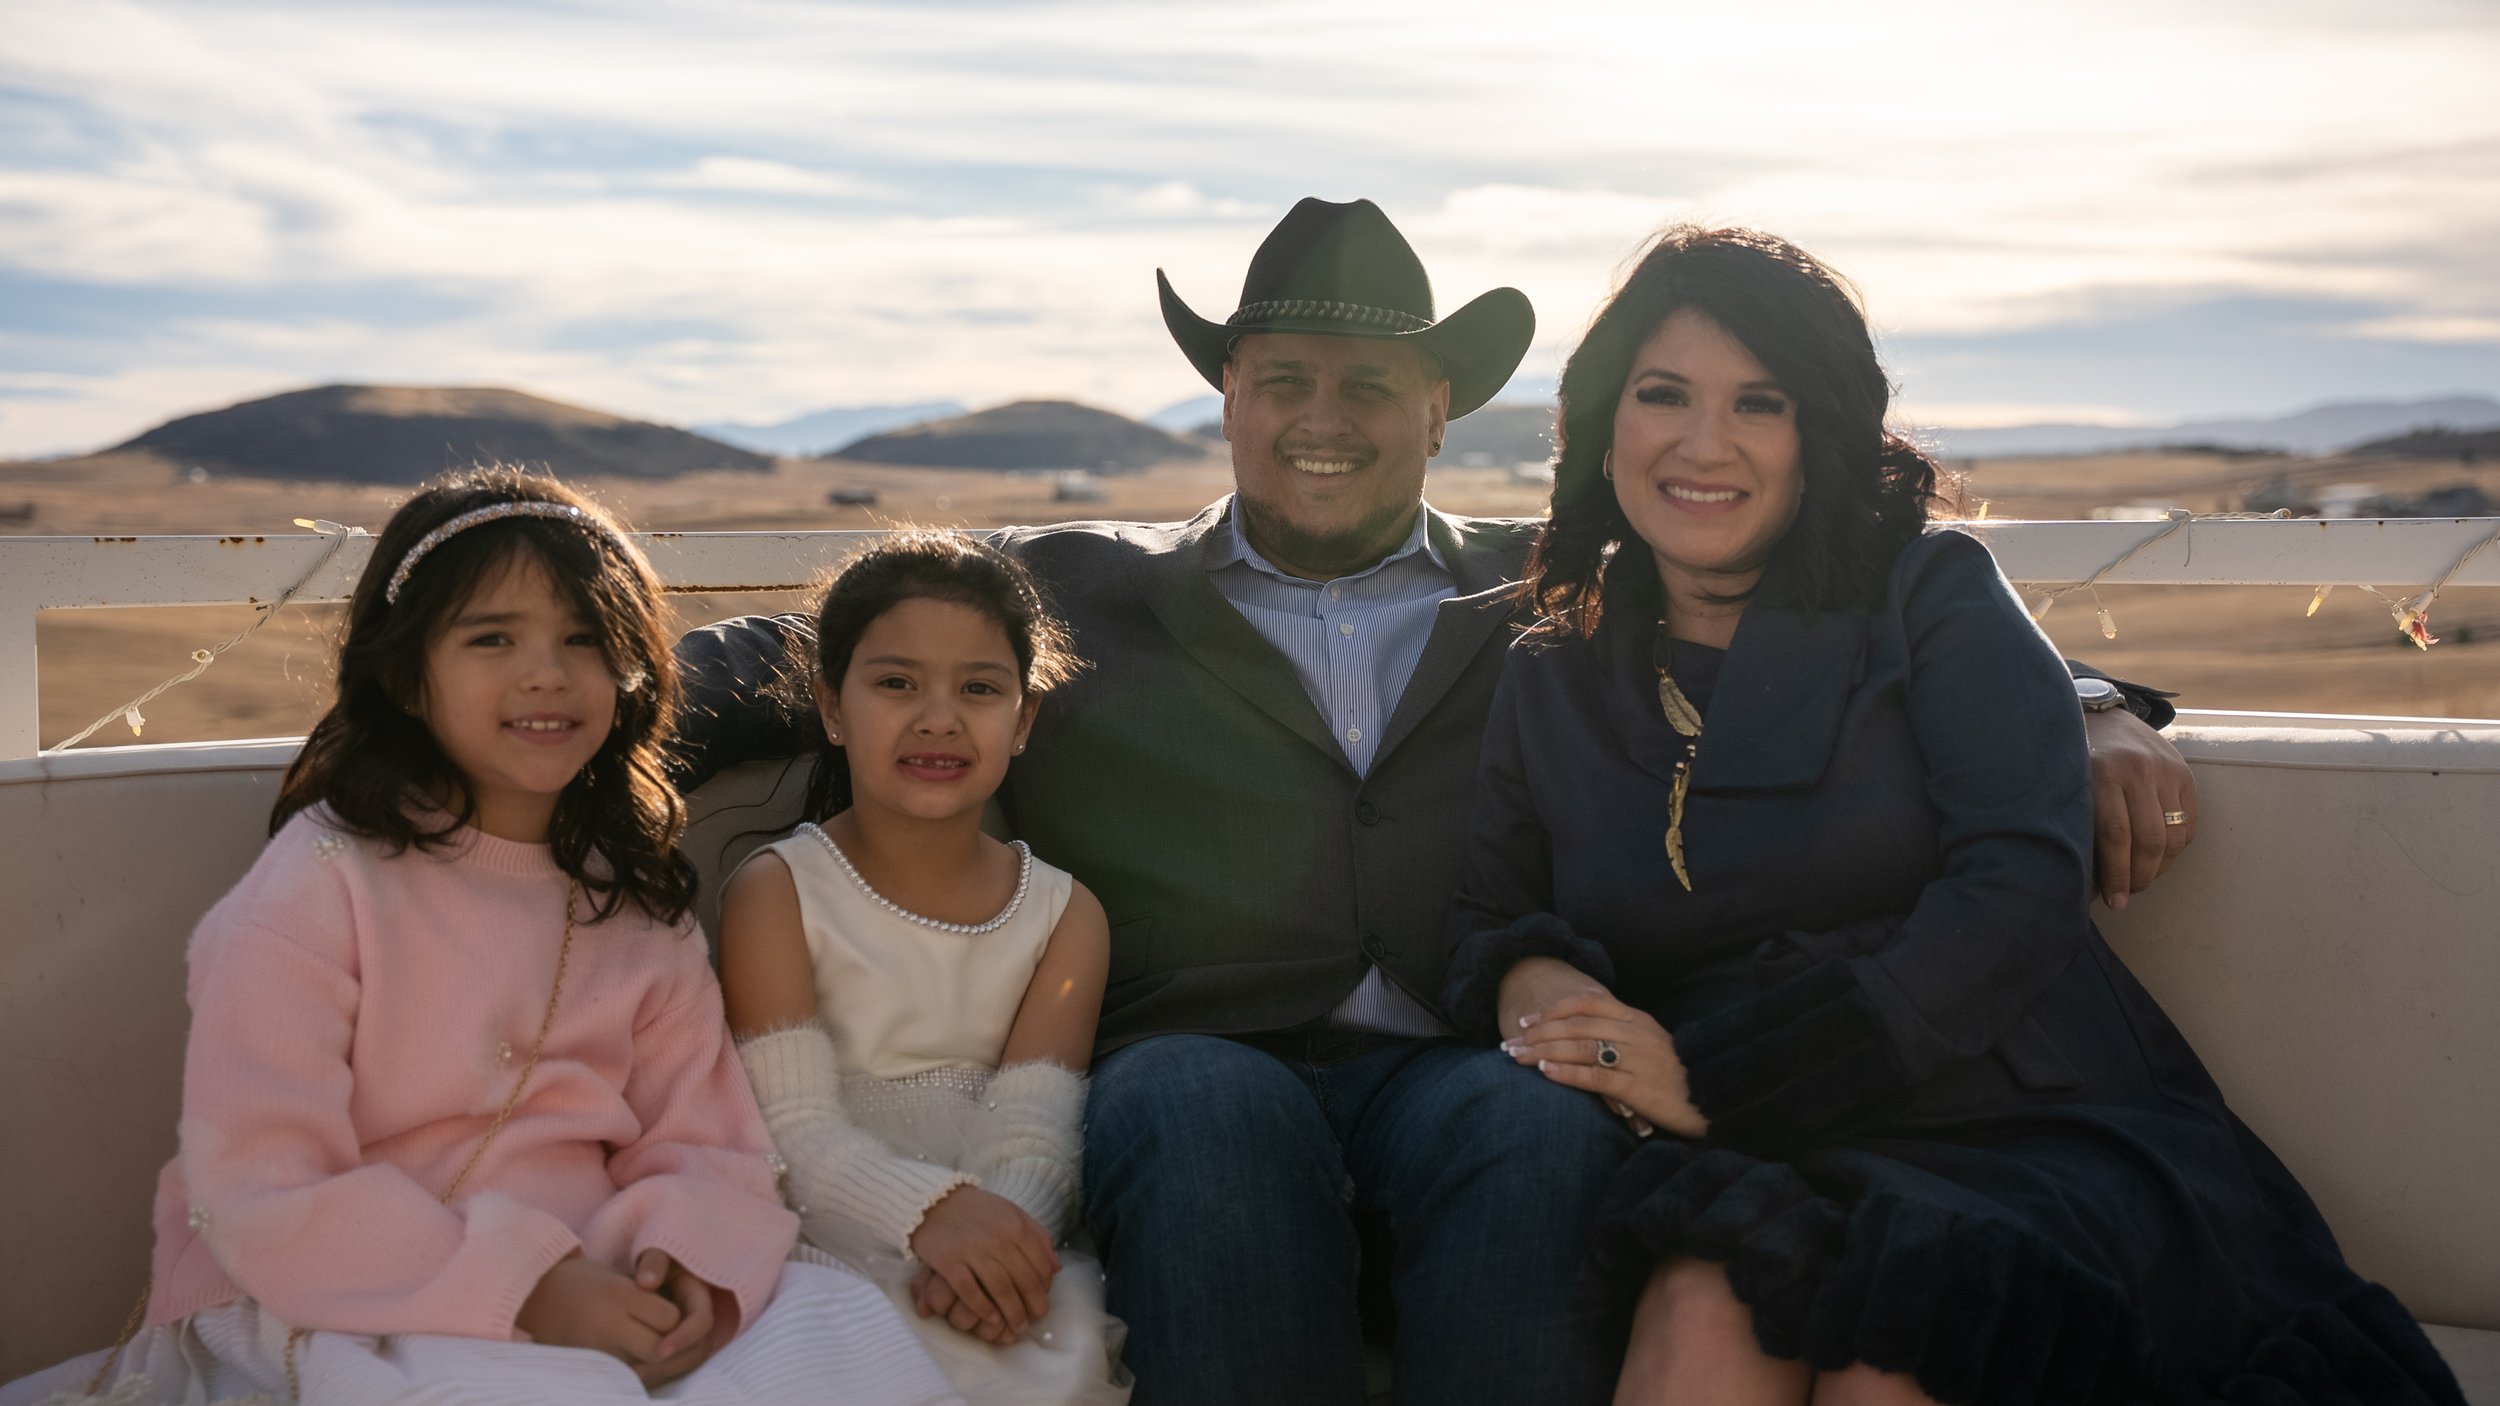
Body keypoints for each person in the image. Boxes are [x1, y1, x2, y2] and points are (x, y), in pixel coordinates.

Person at [669, 198, 2197, 1406]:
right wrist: (511, 705)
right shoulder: (1083, 590)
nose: (1321, 417)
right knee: (1198, 1105)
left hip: (1472, 1043)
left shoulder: (1551, 580)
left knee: (1533, 1124)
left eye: (1369, 383)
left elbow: (1846, 582)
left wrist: (2089, 704)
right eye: (1283, 382)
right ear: (1225, 396)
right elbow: (805, 646)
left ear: (1441, 399)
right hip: (1208, 1046)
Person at [1445, 227, 2466, 1406]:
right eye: (1661, 393)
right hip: (1766, 1150)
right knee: (1699, 1313)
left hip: (2010, 1120)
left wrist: (1721, 1074)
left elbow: (2020, 888)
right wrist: (1550, 1002)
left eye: (1758, 403)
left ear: (1817, 432)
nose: (1702, 442)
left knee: (1905, 1346)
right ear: (1602, 421)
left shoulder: (1930, 591)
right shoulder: (1551, 667)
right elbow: (1492, 908)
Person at [1, 470, 961, 1406]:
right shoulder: (319, 886)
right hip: (345, 1290)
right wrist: (531, 1290)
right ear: (407, 676)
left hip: (609, 1272)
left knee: (842, 1338)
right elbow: (261, 1182)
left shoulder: (632, 897)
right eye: (492, 637)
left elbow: (705, 1137)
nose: (545, 672)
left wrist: (687, 1272)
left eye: (584, 639)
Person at [716, 531, 1130, 1405]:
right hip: (824, 1238)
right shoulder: (778, 892)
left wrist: (996, 1252)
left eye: (979, 689)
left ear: (1023, 720)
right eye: (896, 683)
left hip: (1008, 1259)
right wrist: (928, 1219)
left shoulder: (1064, 915)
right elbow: (791, 1132)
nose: (938, 718)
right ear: (832, 706)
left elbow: (1039, 1134)